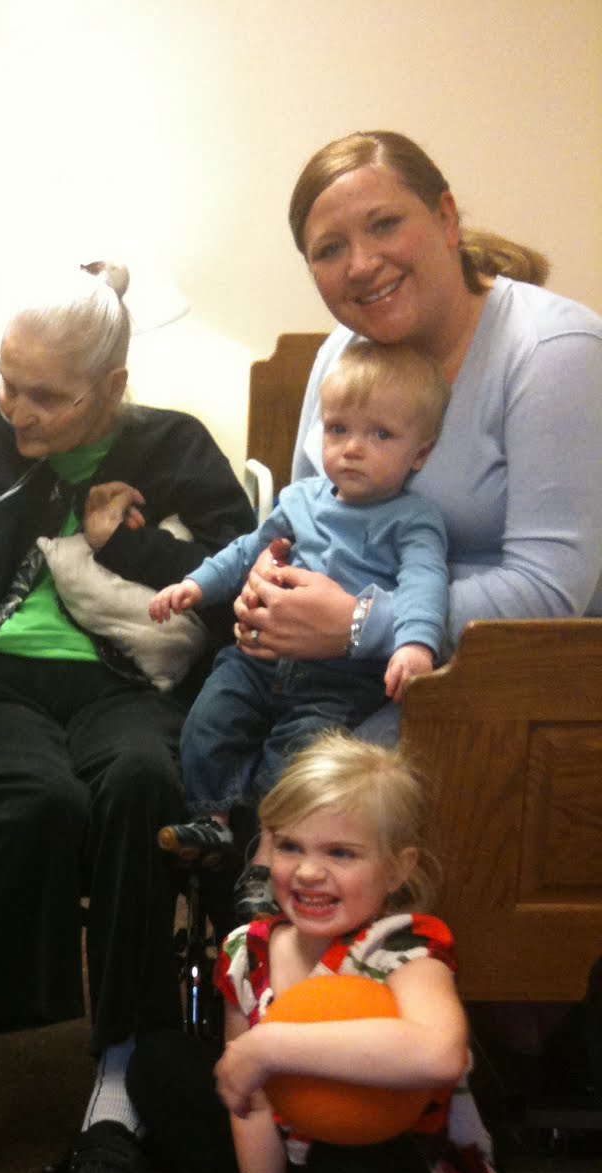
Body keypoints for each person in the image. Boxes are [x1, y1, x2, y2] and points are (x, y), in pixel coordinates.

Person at [0, 261, 257, 1173]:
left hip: (131, 682)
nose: (16, 411)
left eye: (46, 395)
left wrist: (129, 546)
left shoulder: (177, 446)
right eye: (8, 382)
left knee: (143, 787)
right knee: (36, 802)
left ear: (113, 386)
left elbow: (237, 583)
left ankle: (117, 1092)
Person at [219, 129, 602, 917]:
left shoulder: (554, 351)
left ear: (447, 218)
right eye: (330, 249)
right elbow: (310, 513)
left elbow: (553, 592)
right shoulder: (339, 354)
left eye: (385, 225)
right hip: (356, 669)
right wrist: (271, 578)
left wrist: (359, 622)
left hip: (513, 691)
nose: (360, 263)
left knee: (318, 815)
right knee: (215, 735)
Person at [206, 732, 498, 1173]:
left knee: (356, 1161)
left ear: (398, 868)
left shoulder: (403, 948)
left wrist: (270, 1045)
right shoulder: (248, 950)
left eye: (341, 853)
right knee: (167, 1069)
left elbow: (438, 1053)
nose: (309, 872)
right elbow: (248, 1106)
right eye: (289, 845)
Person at [153, 340, 449, 871]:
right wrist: (196, 585)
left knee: (295, 762)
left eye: (380, 434)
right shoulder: (298, 499)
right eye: (338, 429)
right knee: (208, 718)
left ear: (420, 454)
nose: (352, 448)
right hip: (259, 661)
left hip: (340, 679)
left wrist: (415, 645)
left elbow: (425, 585)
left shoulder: (413, 520)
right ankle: (212, 820)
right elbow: (247, 550)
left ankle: (269, 854)